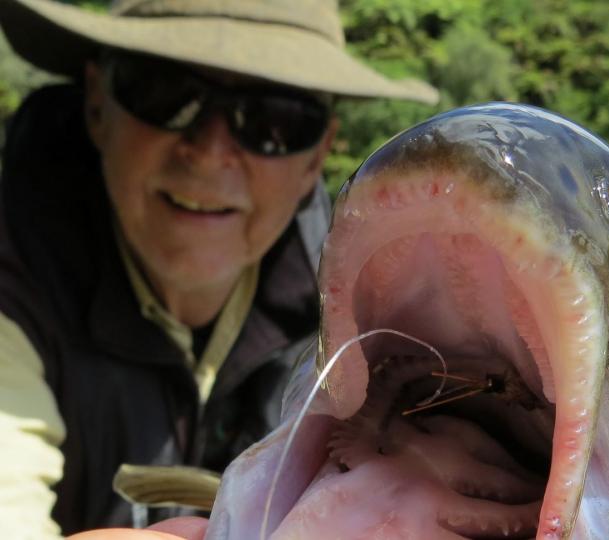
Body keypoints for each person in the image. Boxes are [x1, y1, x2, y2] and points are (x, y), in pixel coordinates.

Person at [0, 0, 438, 537]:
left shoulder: (370, 327)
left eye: (274, 119)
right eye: (164, 94)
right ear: (97, 105)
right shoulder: (13, 289)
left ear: (316, 158)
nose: (209, 153)